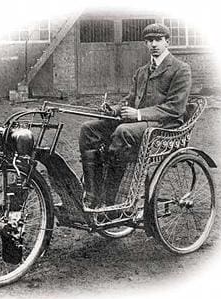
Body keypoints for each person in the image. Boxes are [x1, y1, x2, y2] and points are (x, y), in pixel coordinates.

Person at [79, 23, 192, 209]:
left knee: (123, 131)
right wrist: (115, 109)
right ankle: (92, 194)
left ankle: (111, 201)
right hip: (140, 124)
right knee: (89, 129)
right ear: (145, 44)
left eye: (158, 40)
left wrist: (139, 114)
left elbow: (175, 108)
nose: (153, 44)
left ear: (167, 42)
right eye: (149, 40)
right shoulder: (142, 71)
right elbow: (130, 99)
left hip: (165, 125)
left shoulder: (180, 69)